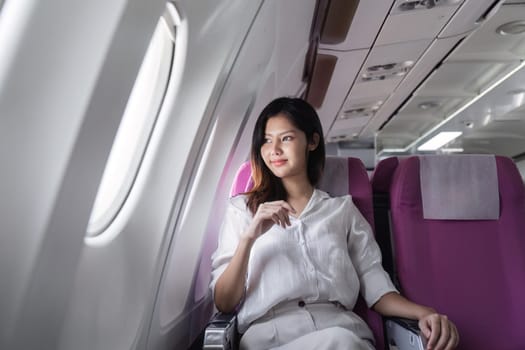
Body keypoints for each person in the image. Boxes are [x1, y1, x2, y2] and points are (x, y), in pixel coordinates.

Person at [210, 97, 459, 350]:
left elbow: (377, 288)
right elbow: (224, 302)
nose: (274, 149)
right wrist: (249, 238)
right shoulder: (242, 211)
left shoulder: (342, 211)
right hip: (271, 338)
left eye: (286, 138)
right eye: (266, 140)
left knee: (342, 341)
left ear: (312, 141)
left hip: (341, 328)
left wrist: (424, 313)